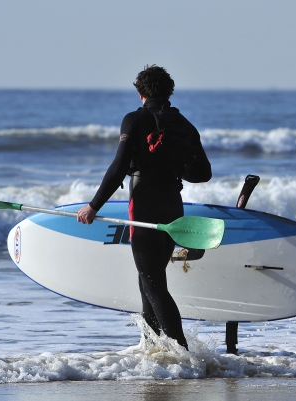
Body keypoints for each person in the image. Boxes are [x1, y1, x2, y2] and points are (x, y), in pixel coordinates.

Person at [77, 65, 211, 350]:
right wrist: (170, 164)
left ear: (140, 93)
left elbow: (119, 167)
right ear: (169, 91)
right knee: (147, 279)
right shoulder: (184, 124)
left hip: (145, 205)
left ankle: (182, 353)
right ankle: (151, 349)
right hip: (173, 205)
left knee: (153, 284)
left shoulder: (134, 120)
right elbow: (203, 173)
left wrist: (93, 206)